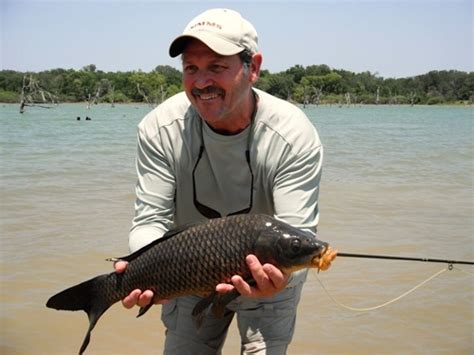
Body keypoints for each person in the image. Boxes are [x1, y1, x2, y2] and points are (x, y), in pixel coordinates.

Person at [114, 8, 336, 354]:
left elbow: (297, 236)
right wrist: (138, 267)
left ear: (254, 68)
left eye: (217, 67)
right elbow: (150, 219)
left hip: (269, 273)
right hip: (187, 266)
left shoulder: (293, 134)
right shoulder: (158, 128)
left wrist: (278, 280)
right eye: (191, 68)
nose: (202, 82)